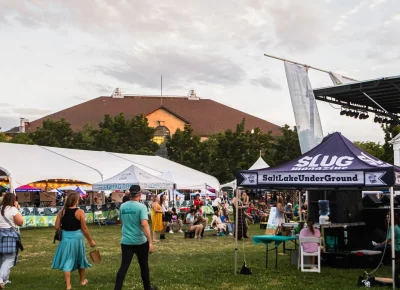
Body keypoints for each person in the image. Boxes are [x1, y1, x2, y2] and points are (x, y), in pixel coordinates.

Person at [114, 185, 157, 290]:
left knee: (124, 266)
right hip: (140, 241)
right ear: (139, 194)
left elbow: (122, 222)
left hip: (126, 241)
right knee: (144, 266)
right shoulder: (141, 207)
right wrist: (150, 242)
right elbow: (144, 224)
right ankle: (147, 288)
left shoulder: (123, 206)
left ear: (129, 194)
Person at [52, 192, 96, 290]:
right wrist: (91, 240)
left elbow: (56, 227)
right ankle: (82, 281)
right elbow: (84, 228)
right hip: (77, 238)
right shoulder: (80, 212)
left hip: (65, 238)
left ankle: (68, 285)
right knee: (81, 258)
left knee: (67, 259)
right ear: (76, 200)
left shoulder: (62, 211)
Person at [0, 193, 23, 288]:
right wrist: (16, 208)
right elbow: (20, 222)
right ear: (14, 200)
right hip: (9, 235)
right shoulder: (12, 209)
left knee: (1, 258)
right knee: (9, 258)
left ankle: (4, 279)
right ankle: (1, 278)